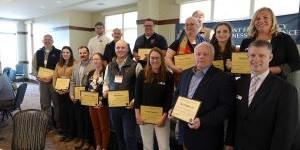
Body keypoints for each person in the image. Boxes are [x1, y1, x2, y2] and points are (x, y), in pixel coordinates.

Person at [225, 40, 298, 150]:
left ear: (270, 57)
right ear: (247, 57)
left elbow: (285, 130)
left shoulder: (286, 90)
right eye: (252, 55)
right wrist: (229, 142)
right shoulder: (240, 84)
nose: (256, 59)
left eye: (261, 55)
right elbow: (235, 116)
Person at [169, 42, 234, 150]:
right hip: (186, 136)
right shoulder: (185, 74)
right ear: (194, 56)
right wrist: (174, 109)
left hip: (208, 138)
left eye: (205, 54)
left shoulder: (223, 78)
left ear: (212, 57)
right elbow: (177, 95)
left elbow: (226, 108)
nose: (201, 57)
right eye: (198, 54)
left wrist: (202, 121)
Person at [103, 40, 142, 150]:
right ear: (115, 49)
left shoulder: (136, 65)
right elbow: (106, 82)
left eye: (123, 48)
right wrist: (105, 91)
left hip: (128, 109)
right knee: (119, 136)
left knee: (129, 137)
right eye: (118, 47)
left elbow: (141, 87)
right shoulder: (110, 65)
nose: (120, 50)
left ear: (127, 49)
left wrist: (135, 101)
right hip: (113, 108)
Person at [240, 7, 300, 79]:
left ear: (272, 21)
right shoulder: (246, 42)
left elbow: (296, 63)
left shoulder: (284, 39)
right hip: (250, 83)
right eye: (258, 19)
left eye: (265, 17)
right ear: (254, 22)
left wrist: (270, 71)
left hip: (276, 84)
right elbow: (242, 65)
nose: (261, 20)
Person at [135, 47, 174, 150]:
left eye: (157, 58)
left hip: (161, 116)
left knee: (164, 147)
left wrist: (164, 117)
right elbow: (137, 95)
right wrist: (137, 114)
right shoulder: (142, 74)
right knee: (147, 146)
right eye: (152, 58)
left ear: (162, 59)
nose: (154, 60)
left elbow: (169, 98)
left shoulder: (168, 76)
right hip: (144, 115)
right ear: (149, 59)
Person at [32, 34, 61, 130]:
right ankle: (47, 123)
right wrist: (39, 77)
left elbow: (60, 68)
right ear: (42, 41)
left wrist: (52, 77)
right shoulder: (38, 53)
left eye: (49, 39)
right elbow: (34, 67)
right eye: (45, 40)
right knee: (45, 103)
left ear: (53, 41)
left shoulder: (58, 53)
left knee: (56, 103)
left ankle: (58, 123)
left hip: (54, 82)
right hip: (42, 82)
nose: (47, 41)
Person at [165, 16, 204, 84]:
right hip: (182, 78)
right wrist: (174, 68)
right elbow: (167, 57)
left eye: (192, 24)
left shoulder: (203, 42)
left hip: (200, 78)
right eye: (187, 25)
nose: (189, 26)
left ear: (198, 26)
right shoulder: (178, 42)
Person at [69, 46, 94, 149]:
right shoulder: (75, 65)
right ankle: (81, 138)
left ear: (88, 53)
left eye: (84, 53)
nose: (82, 55)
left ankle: (88, 140)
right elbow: (72, 81)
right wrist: (71, 94)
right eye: (80, 53)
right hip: (77, 97)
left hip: (88, 97)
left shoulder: (93, 65)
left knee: (87, 120)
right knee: (79, 119)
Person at [86, 53, 110, 150]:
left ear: (102, 60)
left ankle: (104, 147)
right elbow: (87, 88)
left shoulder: (106, 72)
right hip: (91, 104)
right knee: (95, 127)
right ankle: (98, 146)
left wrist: (102, 101)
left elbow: (108, 88)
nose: (95, 61)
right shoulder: (91, 73)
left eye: (97, 59)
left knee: (104, 128)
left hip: (101, 104)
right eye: (93, 59)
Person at [52, 46, 75, 142]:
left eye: (67, 52)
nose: (65, 54)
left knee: (70, 113)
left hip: (69, 92)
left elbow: (74, 79)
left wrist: (68, 89)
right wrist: (56, 88)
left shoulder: (75, 63)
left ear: (71, 53)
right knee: (62, 112)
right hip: (59, 92)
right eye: (64, 52)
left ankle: (70, 133)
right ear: (61, 54)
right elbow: (54, 77)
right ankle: (64, 132)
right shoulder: (58, 64)